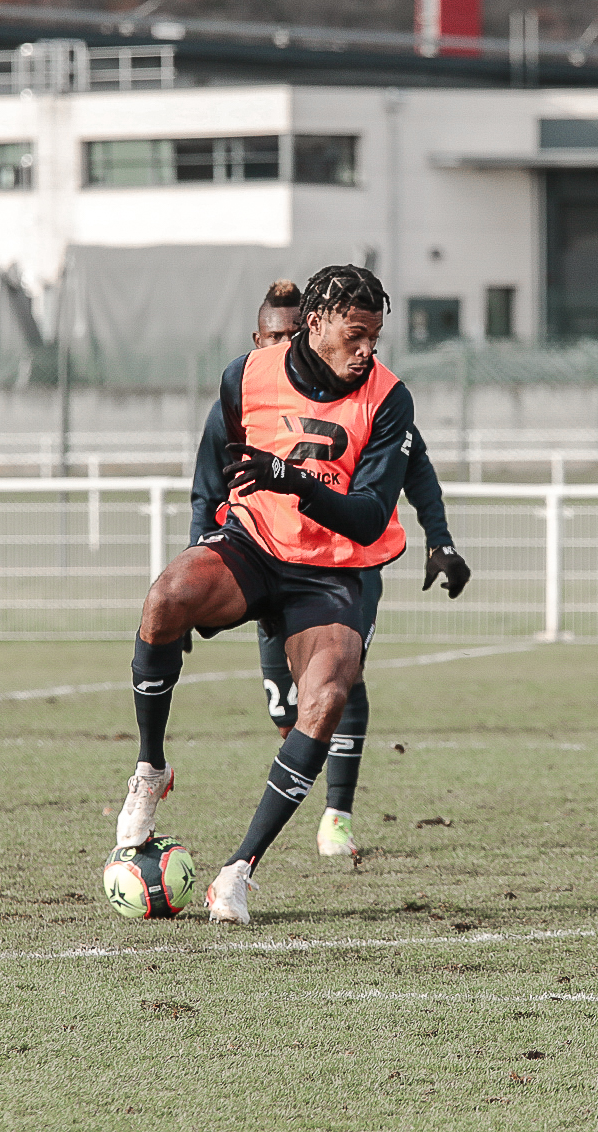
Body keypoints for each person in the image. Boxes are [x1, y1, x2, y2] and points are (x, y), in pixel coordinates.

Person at [115, 264, 414, 925]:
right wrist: (202, 543)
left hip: (332, 570)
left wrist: (292, 479)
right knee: (166, 596)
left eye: (376, 337)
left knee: (329, 695)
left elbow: (367, 515)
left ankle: (237, 872)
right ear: (316, 325)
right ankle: (150, 768)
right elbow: (214, 466)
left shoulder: (389, 399)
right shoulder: (245, 376)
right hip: (254, 547)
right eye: (357, 335)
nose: (368, 350)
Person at [189, 279, 470, 858]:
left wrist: (439, 540)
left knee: (342, 677)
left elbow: (417, 469)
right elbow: (206, 487)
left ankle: (336, 812)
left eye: (297, 332)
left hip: (345, 562)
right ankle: (300, 779)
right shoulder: (247, 391)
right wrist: (201, 560)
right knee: (283, 703)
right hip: (268, 552)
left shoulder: (370, 395)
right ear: (260, 339)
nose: (291, 343)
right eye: (278, 336)